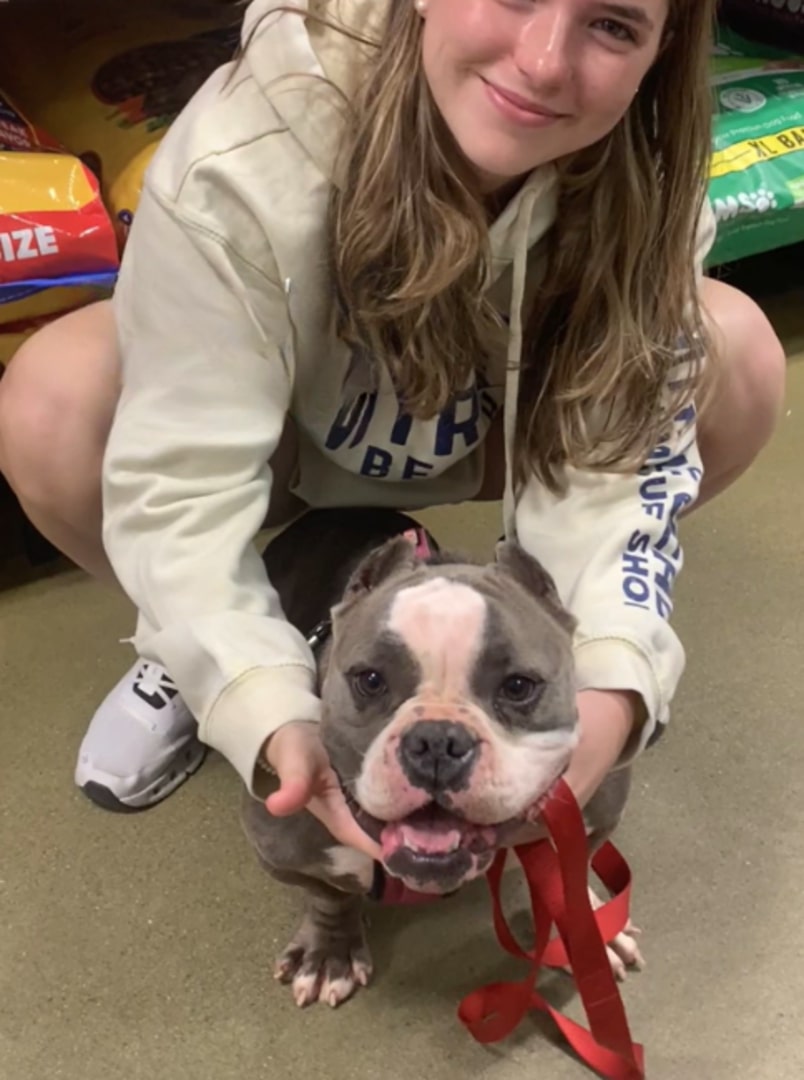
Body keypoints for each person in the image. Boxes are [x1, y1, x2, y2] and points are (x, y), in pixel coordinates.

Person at [0, 0, 785, 857]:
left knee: (737, 352)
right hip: (290, 444)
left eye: (613, 25)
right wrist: (260, 703)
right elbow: (178, 485)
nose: (545, 61)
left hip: (498, 432)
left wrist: (609, 679)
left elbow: (621, 465)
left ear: (663, 46)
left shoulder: (658, 165)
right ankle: (201, 647)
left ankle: (503, 645)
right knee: (54, 402)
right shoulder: (242, 148)